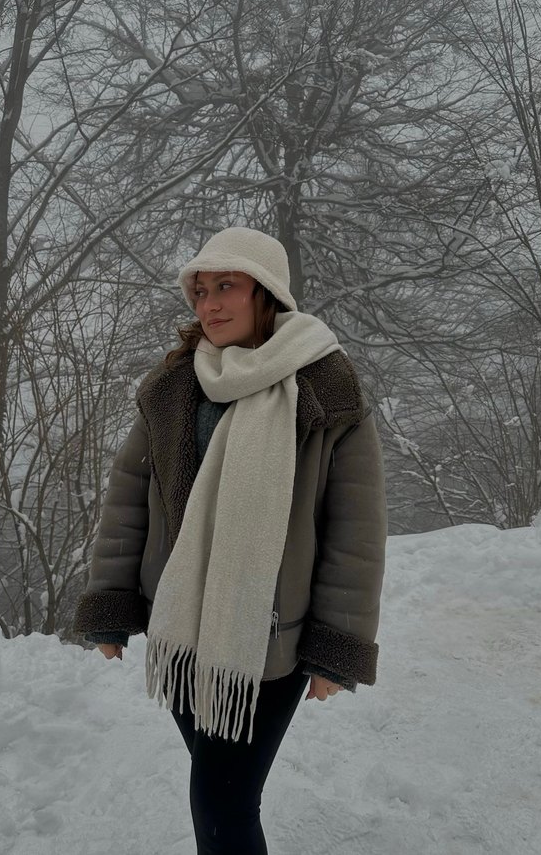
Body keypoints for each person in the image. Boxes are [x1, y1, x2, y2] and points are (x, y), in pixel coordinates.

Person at [73, 226, 387, 855]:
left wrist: (337, 647)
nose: (209, 305)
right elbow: (128, 501)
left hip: (270, 641)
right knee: (218, 794)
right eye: (200, 291)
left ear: (265, 292)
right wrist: (110, 602)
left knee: (223, 805)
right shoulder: (172, 387)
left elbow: (355, 531)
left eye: (226, 287)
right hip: (179, 630)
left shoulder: (325, 389)